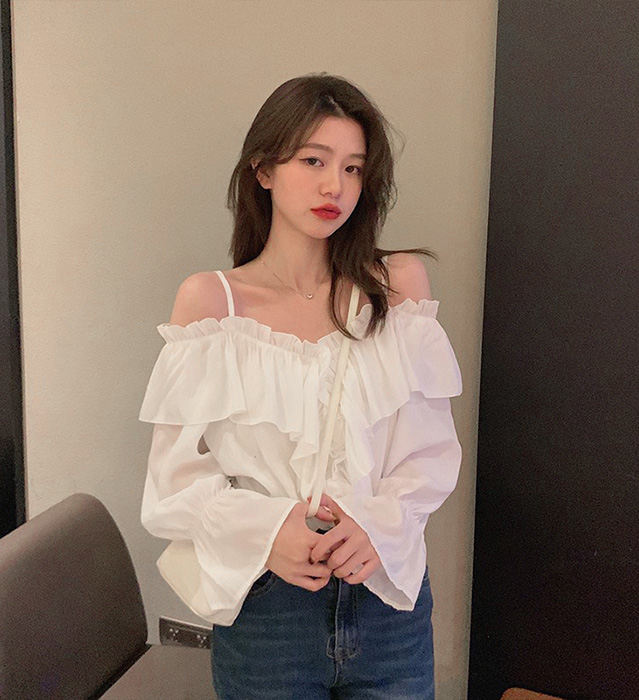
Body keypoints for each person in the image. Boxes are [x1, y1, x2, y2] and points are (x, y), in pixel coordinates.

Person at [139, 73, 463, 699]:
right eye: (314, 160)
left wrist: (378, 524)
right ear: (263, 169)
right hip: (268, 611)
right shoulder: (212, 303)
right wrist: (269, 531)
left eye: (352, 168)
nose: (334, 185)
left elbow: (429, 452)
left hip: (385, 601)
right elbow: (172, 483)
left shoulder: (398, 287)